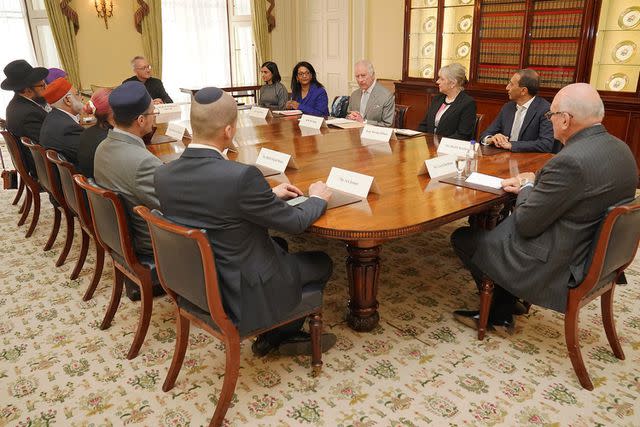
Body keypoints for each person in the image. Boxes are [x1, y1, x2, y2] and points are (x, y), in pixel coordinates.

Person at [155, 87, 337, 357]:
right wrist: (317, 198)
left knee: (278, 244)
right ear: (228, 130)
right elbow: (296, 222)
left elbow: (214, 204)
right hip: (239, 286)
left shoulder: (163, 174)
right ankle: (279, 334)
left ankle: (276, 328)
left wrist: (267, 195)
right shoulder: (240, 177)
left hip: (196, 278)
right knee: (322, 262)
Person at [450, 83, 638, 335]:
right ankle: (507, 300)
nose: (549, 120)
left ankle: (498, 313)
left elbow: (527, 224)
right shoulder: (621, 149)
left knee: (464, 237)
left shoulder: (569, 161)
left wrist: (527, 187)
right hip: (596, 252)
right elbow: (582, 189)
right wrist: (540, 182)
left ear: (565, 120)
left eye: (551, 115)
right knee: (499, 232)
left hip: (562, 260)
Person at [93, 81, 165, 301]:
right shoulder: (142, 162)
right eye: (153, 112)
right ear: (141, 120)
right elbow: (172, 208)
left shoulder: (103, 147)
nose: (155, 116)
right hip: (150, 242)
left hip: (119, 236)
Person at [480, 69, 555, 152]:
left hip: (529, 161)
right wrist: (492, 139)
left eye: (511, 84)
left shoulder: (545, 110)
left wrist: (511, 145)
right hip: (502, 157)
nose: (507, 87)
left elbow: (546, 144)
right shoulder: (508, 107)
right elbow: (485, 135)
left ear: (523, 91)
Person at [2, 59, 49, 176]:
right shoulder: (27, 114)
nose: (46, 88)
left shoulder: (18, 105)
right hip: (45, 171)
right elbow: (48, 144)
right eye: (43, 85)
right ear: (28, 90)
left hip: (39, 164)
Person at [417, 63, 476, 140]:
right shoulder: (437, 99)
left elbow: (463, 135)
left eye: (442, 79)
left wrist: (441, 145)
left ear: (453, 83)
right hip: (429, 145)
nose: (437, 82)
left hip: (450, 149)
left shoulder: (467, 103)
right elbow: (424, 125)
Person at [39, 77, 84, 165]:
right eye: (77, 94)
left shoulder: (52, 118)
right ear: (68, 100)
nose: (82, 98)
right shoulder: (69, 128)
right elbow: (90, 156)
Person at [346, 60, 395, 127]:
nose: (360, 80)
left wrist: (364, 122)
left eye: (363, 75)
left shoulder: (386, 96)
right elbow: (348, 116)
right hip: (354, 133)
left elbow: (388, 125)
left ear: (373, 75)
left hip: (375, 135)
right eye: (357, 76)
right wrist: (350, 118)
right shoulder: (354, 95)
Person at [77, 88, 114, 178]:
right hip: (106, 189)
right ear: (113, 111)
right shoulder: (109, 141)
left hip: (92, 187)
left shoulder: (86, 133)